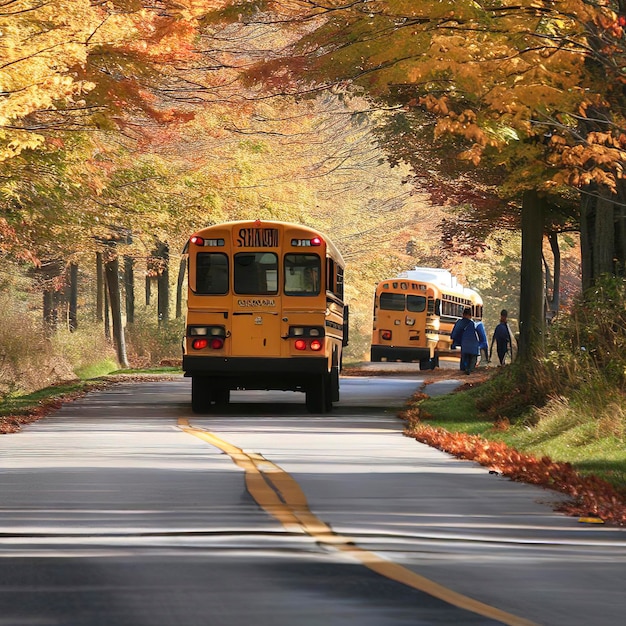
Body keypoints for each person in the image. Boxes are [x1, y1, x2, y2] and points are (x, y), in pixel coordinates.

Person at [450, 307, 485, 374]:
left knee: (464, 364)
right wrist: (481, 345)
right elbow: (482, 337)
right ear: (470, 315)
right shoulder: (474, 324)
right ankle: (470, 371)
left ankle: (465, 370)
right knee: (472, 365)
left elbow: (454, 334)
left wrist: (455, 343)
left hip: (465, 346)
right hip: (474, 347)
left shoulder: (459, 322)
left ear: (463, 314)